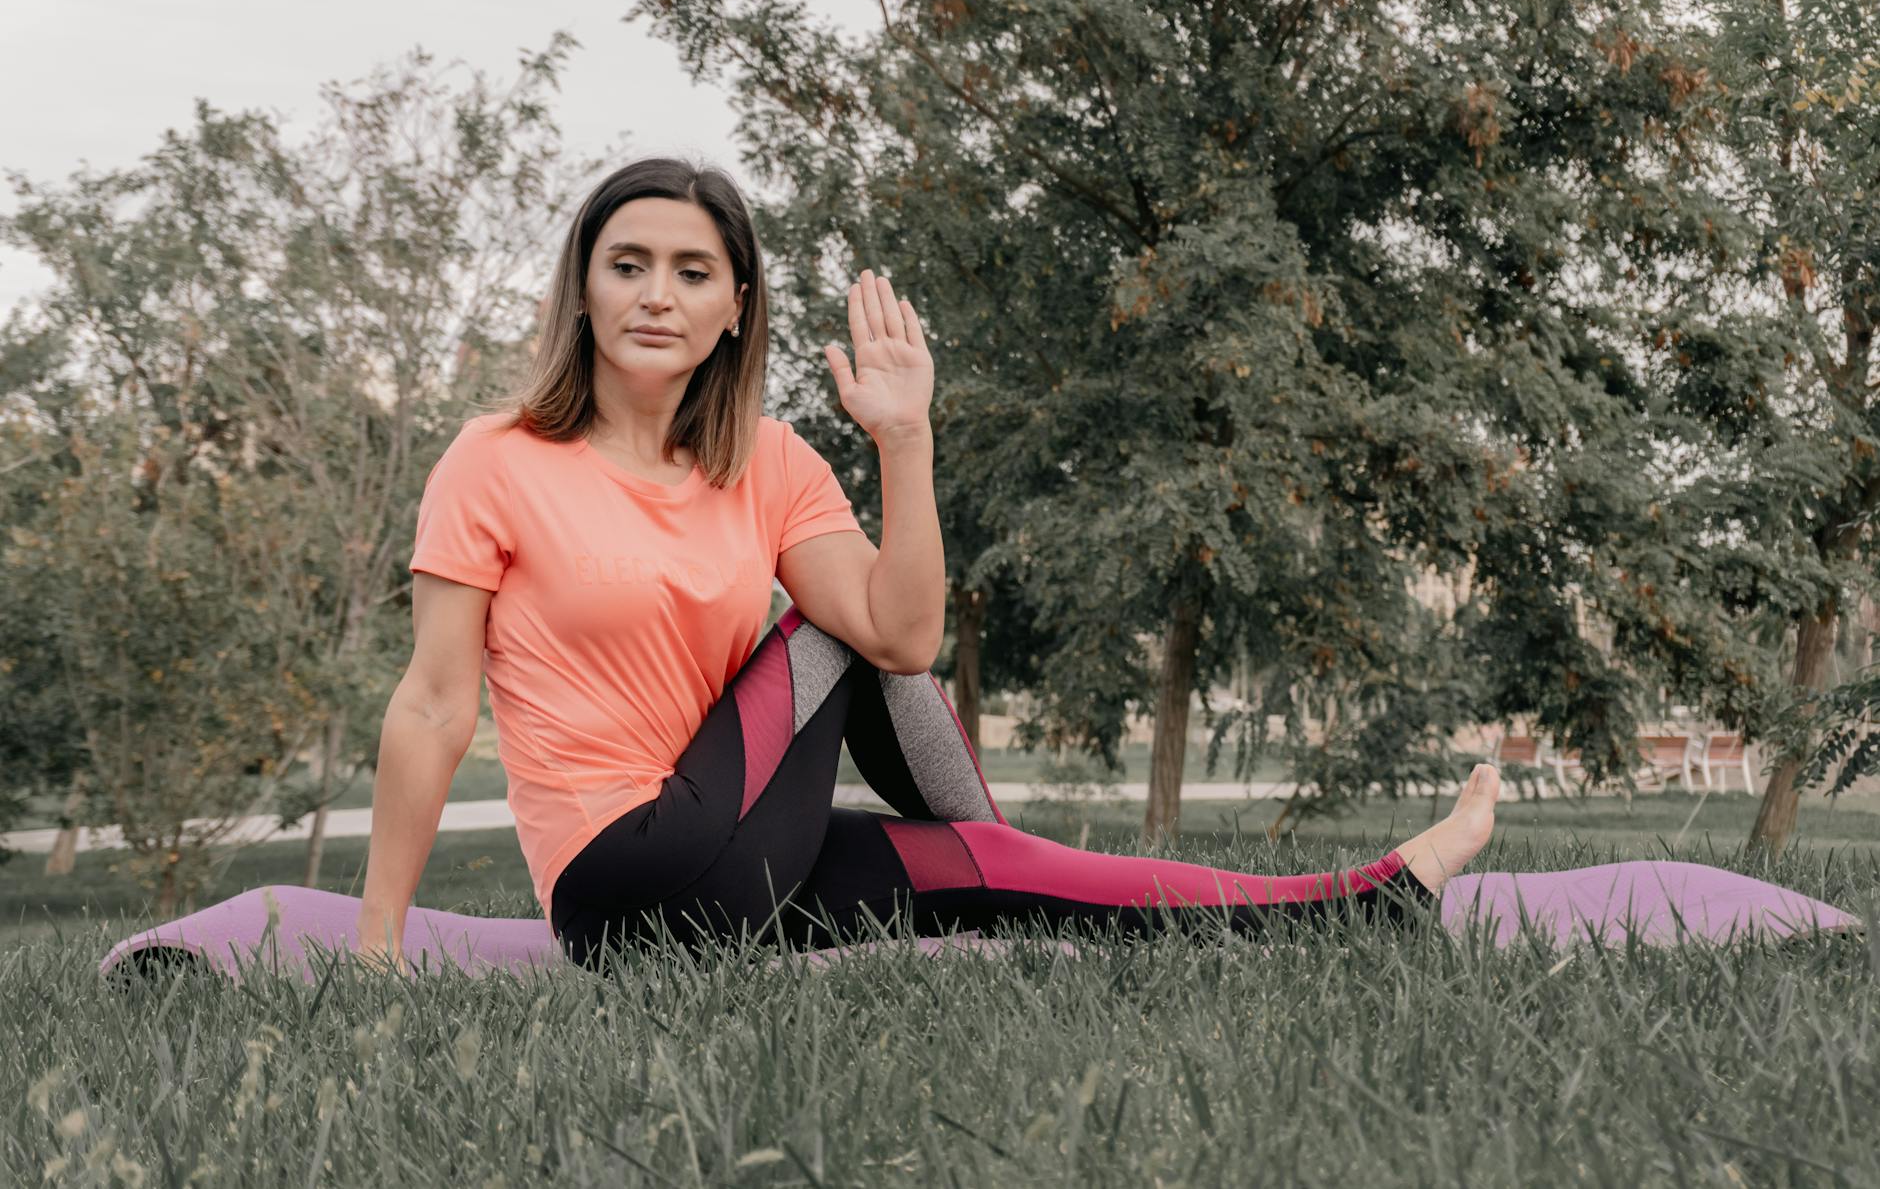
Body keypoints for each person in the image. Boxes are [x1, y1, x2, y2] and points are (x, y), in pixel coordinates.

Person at [353, 156, 1498, 976]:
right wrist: (376, 942)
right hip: (619, 885)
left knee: (967, 850)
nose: (657, 293)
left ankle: (1368, 904)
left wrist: (904, 439)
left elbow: (905, 639)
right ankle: (999, 856)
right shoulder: (496, 458)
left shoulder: (771, 461)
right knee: (829, 628)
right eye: (628, 264)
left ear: (735, 308)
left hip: (730, 878)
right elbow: (435, 703)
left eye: (693, 271)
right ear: (584, 287)